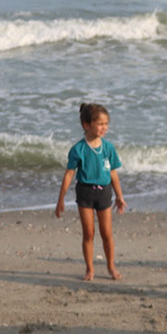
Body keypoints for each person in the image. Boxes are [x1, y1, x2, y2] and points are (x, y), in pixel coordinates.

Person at [55, 101, 127, 281]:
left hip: (104, 193)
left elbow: (113, 173)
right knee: (88, 233)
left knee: (106, 233)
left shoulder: (108, 148)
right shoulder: (78, 149)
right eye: (100, 123)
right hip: (85, 193)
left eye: (106, 123)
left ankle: (111, 267)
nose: (104, 127)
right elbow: (69, 174)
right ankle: (89, 269)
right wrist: (61, 199)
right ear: (86, 125)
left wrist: (119, 196)